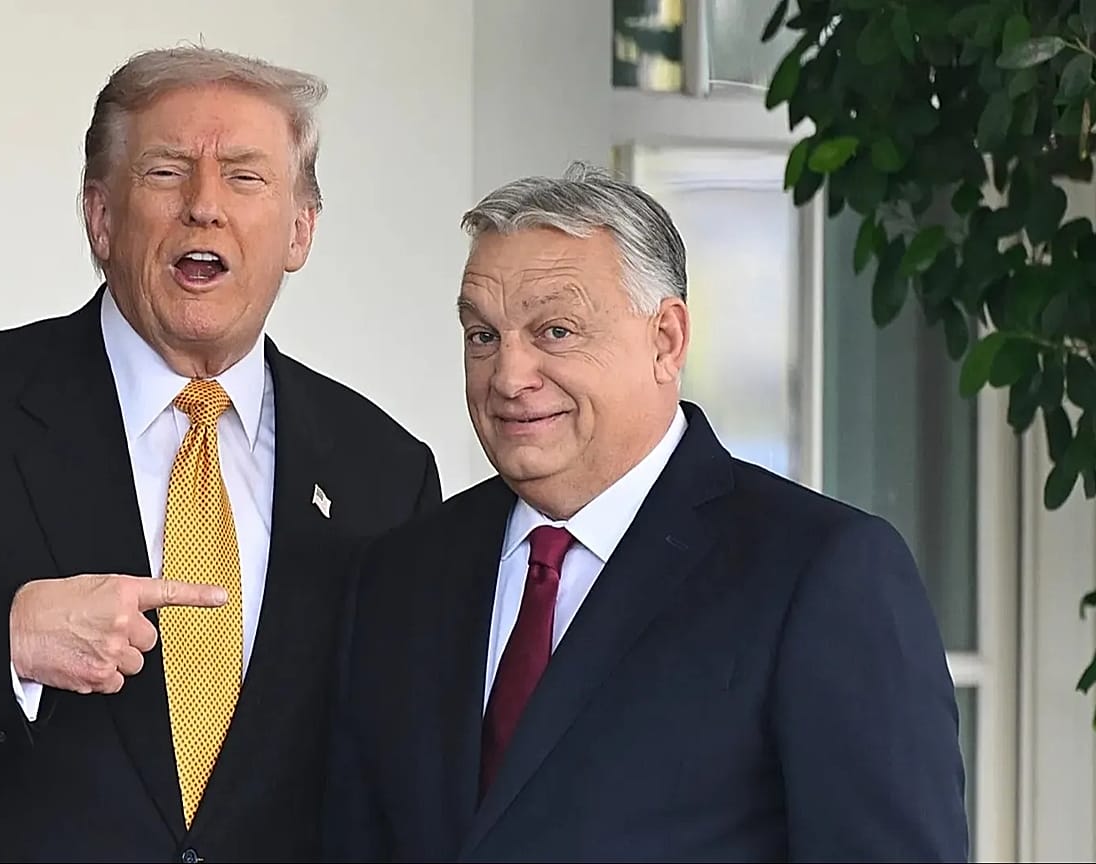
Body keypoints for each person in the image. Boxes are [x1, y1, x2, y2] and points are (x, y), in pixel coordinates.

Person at [0, 45, 441, 862]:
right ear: (101, 217)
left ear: (301, 231)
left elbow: (404, 772)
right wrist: (3, 643)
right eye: (165, 173)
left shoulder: (384, 471)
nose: (204, 208)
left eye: (246, 177)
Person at [323, 163, 969, 862]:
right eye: (483, 337)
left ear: (667, 339)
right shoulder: (402, 574)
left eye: (556, 332)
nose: (508, 377)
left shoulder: (820, 572)